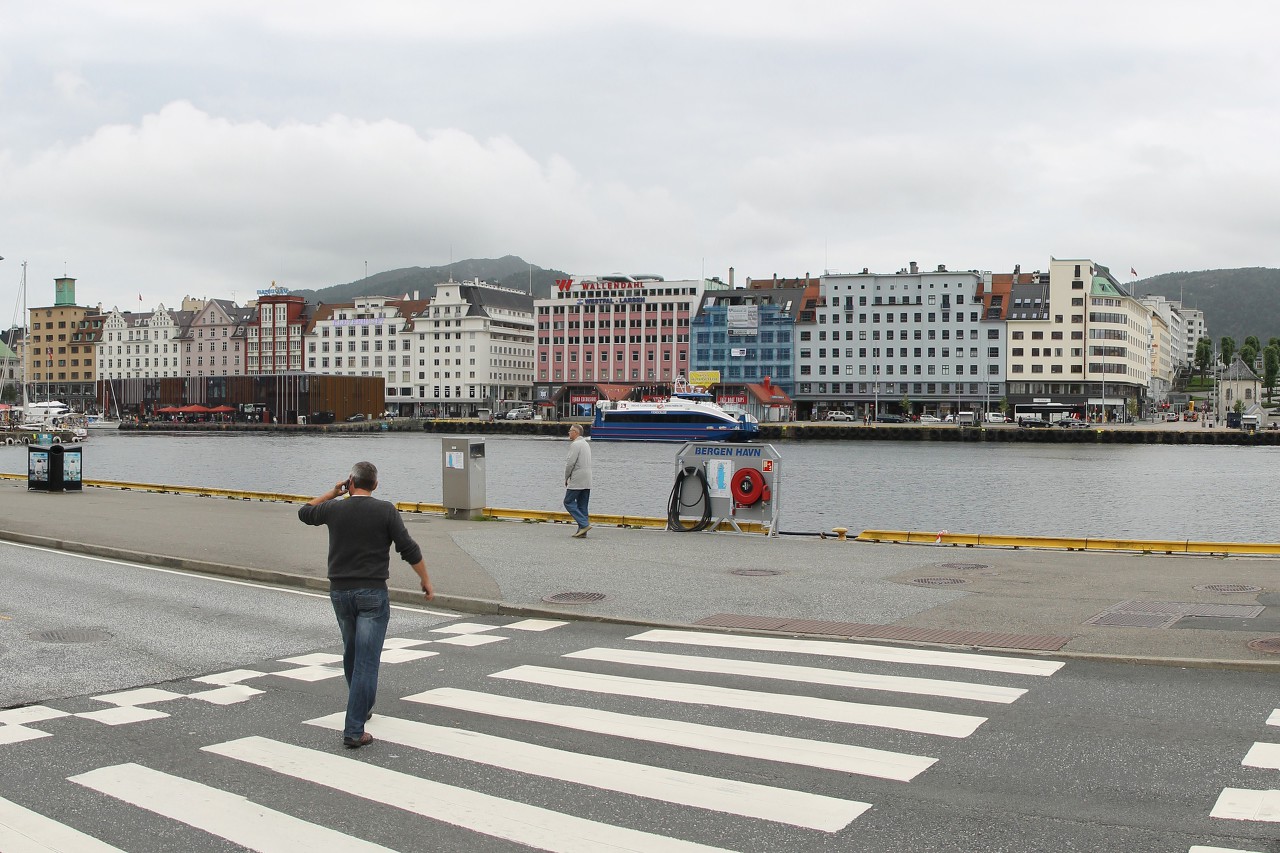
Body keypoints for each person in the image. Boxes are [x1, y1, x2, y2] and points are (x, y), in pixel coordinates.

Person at [298, 461, 432, 749]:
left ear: (350, 482)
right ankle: (354, 729)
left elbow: (304, 512)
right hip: (372, 593)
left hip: (340, 592)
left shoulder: (334, 508)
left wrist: (332, 493)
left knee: (353, 652)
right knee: (366, 662)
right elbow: (409, 549)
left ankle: (362, 705)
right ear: (376, 484)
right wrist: (425, 581)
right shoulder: (385, 510)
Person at [563, 424, 593, 538]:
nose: (568, 433)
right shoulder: (586, 444)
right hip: (587, 479)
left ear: (575, 432)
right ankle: (582, 532)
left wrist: (566, 477)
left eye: (570, 431)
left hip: (577, 478)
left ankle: (584, 524)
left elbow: (570, 463)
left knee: (568, 501)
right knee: (582, 505)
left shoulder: (575, 445)